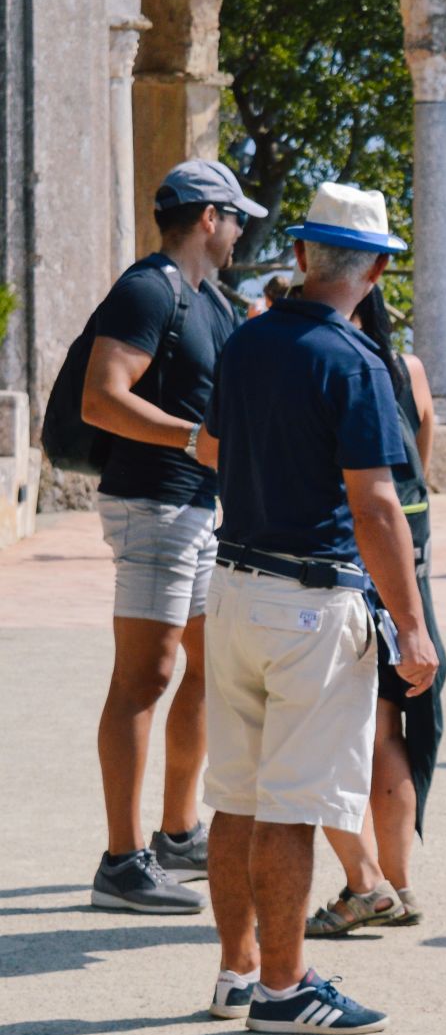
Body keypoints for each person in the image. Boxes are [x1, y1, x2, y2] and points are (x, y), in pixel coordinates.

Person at [199, 182, 437, 1034]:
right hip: (310, 601)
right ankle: (285, 985)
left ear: (301, 255)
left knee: (234, 795)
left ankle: (238, 971)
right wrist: (412, 626)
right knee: (295, 803)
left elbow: (213, 448)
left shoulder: (248, 342)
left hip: (231, 585)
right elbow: (377, 508)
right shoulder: (357, 363)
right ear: (375, 268)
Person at [81, 160, 262, 914]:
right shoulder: (149, 288)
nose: (243, 231)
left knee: (202, 665)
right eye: (236, 218)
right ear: (210, 218)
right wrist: (195, 441)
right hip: (154, 505)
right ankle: (122, 863)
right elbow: (101, 397)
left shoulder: (207, 299)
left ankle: (177, 831)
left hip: (195, 510)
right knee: (144, 676)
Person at [309, 287, 446, 938]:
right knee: (392, 727)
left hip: (356, 556)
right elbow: (424, 440)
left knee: (345, 733)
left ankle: (366, 886)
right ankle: (400, 884)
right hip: (411, 552)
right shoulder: (406, 367)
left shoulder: (333, 362)